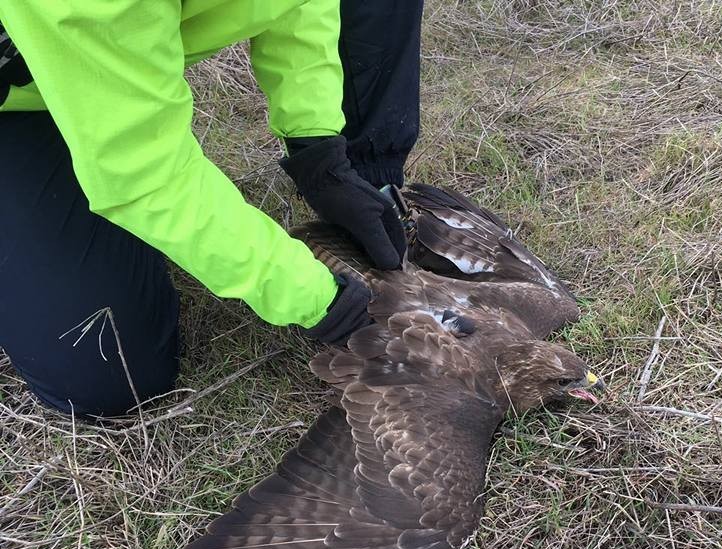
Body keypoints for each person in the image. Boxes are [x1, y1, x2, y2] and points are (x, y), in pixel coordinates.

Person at [0, 1, 423, 418]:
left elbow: (300, 5)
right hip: (16, 102)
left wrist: (317, 146)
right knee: (105, 370)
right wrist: (324, 304)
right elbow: (146, 174)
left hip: (103, 62)